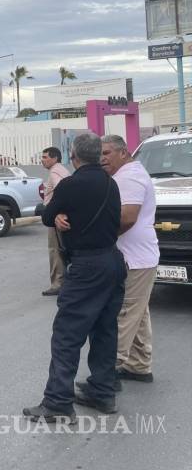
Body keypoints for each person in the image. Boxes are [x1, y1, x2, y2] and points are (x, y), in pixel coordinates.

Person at [23, 132, 125, 422]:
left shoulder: (70, 185)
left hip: (87, 266)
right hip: (114, 261)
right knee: (105, 330)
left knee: (67, 334)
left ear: (74, 156)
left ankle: (57, 402)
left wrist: (56, 216)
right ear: (98, 155)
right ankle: (103, 392)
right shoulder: (111, 184)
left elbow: (46, 215)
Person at [99, 135, 159, 386]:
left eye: (107, 153)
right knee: (138, 313)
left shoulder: (130, 176)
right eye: (100, 154)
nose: (102, 158)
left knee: (124, 314)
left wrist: (101, 239)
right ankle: (139, 365)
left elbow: (127, 218)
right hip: (139, 256)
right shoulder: (126, 174)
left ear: (123, 153)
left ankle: (105, 376)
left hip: (135, 259)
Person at [40, 146, 71, 296]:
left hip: (56, 217)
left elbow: (62, 190)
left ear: (55, 158)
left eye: (46, 157)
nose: (43, 160)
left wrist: (58, 213)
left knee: (55, 250)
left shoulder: (55, 172)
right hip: (60, 215)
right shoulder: (61, 170)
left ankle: (58, 284)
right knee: (61, 249)